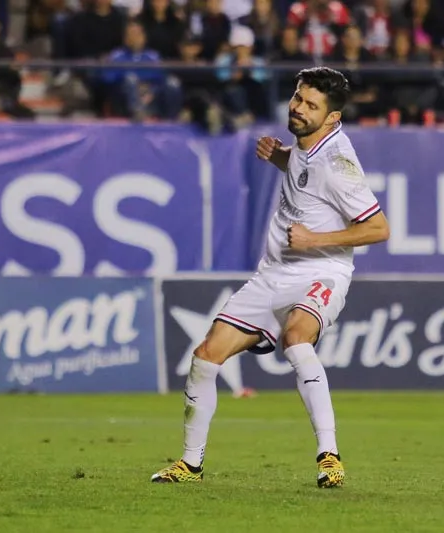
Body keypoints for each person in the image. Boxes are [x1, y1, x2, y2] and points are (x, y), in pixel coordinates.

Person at [151, 66, 391, 488]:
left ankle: (329, 455)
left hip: (323, 271)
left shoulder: (339, 163)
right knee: (205, 357)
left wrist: (316, 239)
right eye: (298, 98)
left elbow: (378, 228)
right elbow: (304, 176)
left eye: (310, 105)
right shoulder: (305, 143)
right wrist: (279, 156)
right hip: (274, 273)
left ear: (333, 117)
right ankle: (190, 464)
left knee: (296, 339)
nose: (298, 108)